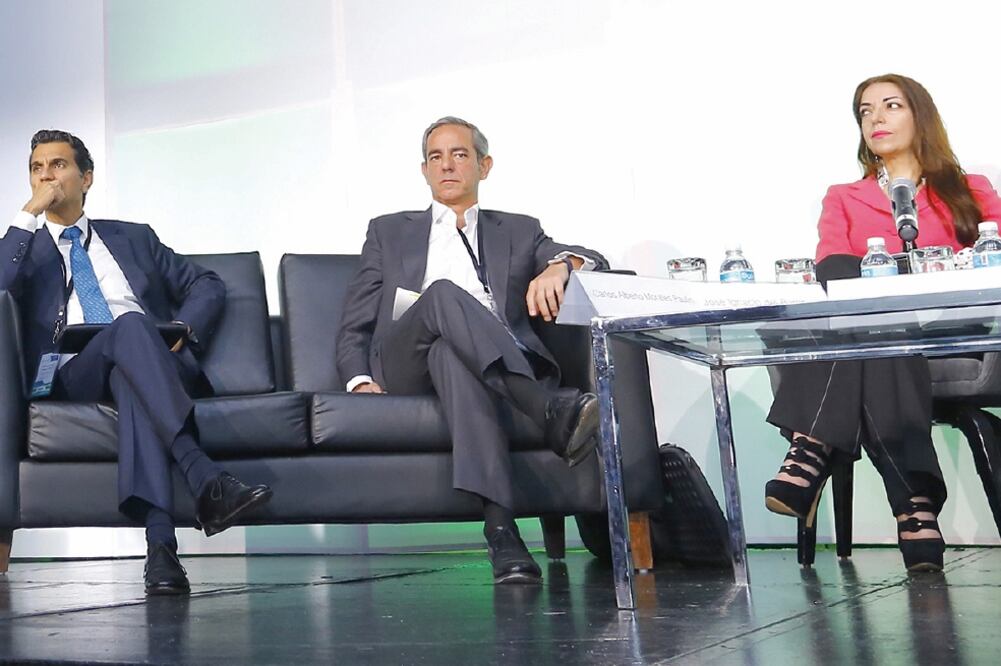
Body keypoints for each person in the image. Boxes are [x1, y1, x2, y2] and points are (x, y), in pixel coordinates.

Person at [336, 116, 608, 584]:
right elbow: (354, 322)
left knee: (452, 358)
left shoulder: (519, 231)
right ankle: (545, 408)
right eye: (435, 157)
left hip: (477, 362)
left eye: (459, 154)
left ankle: (502, 532)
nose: (446, 166)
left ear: (484, 165)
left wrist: (559, 267)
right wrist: (359, 379)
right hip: (406, 360)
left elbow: (594, 258)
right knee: (441, 294)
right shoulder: (388, 231)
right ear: (424, 170)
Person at [0, 130, 273, 594]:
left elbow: (207, 283)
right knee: (127, 327)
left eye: (58, 165)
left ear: (86, 178)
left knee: (133, 362)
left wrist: (183, 331)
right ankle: (203, 474)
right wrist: (28, 214)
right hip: (75, 371)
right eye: (36, 167)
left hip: (152, 361)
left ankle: (162, 552)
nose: (46, 175)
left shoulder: (134, 238)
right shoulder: (25, 249)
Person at [765, 74, 1001, 572]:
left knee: (862, 323)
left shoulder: (971, 189)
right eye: (865, 111)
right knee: (873, 326)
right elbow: (832, 267)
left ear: (920, 116)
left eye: (890, 106)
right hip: (883, 335)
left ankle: (809, 450)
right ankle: (914, 504)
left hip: (956, 334)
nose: (876, 118)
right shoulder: (844, 196)